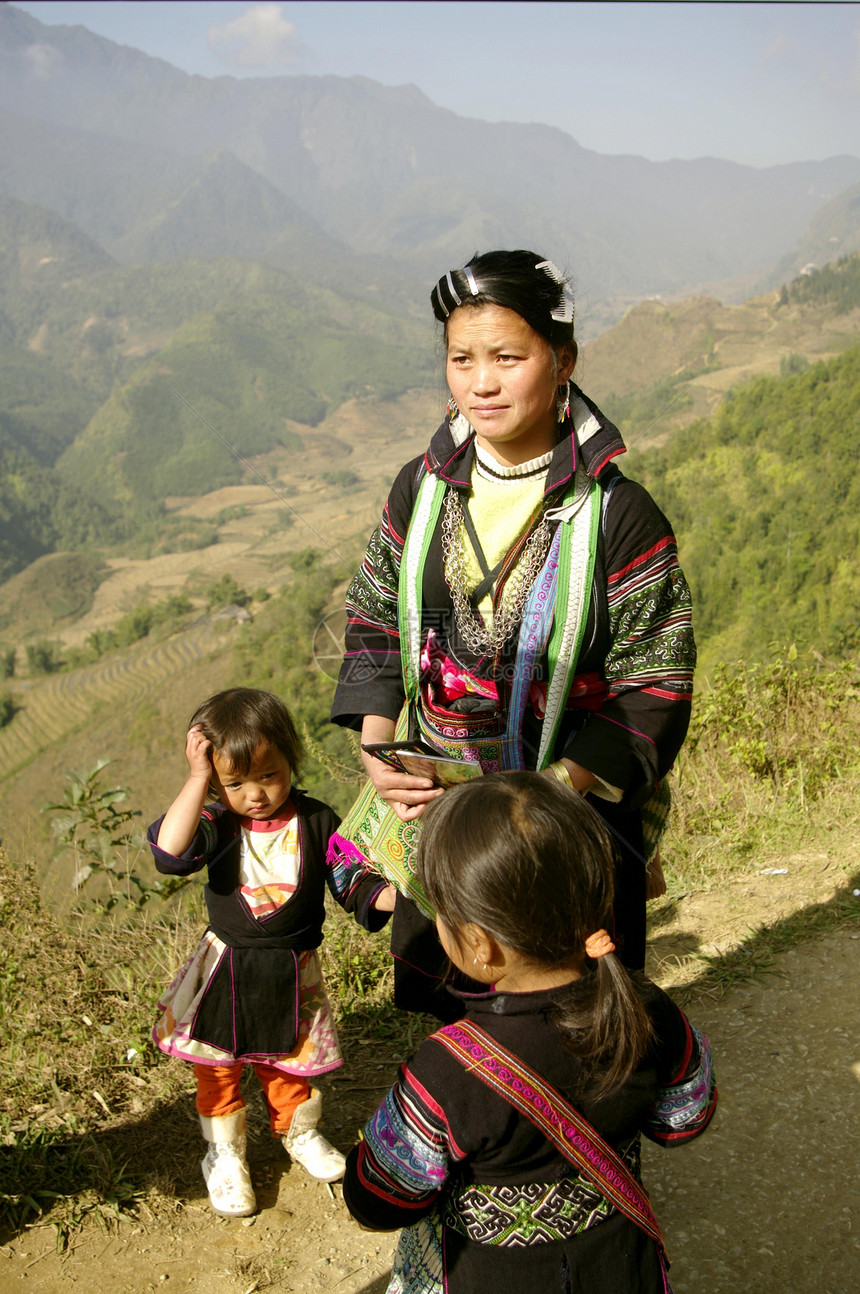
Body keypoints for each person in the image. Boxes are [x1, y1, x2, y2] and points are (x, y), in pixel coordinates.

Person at [330, 249, 695, 1016]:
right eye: (461, 359)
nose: (481, 382)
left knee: (575, 1032)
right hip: (441, 819)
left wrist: (552, 793)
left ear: (562, 360)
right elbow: (373, 621)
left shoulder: (618, 517)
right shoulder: (422, 488)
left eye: (507, 357)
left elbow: (654, 680)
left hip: (563, 827)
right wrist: (376, 747)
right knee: (459, 1034)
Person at [343, 774, 717, 1294]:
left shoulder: (447, 1071)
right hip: (621, 1268)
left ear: (481, 946)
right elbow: (684, 1120)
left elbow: (378, 1198)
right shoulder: (646, 1007)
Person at [148, 687, 395, 1218]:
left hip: (292, 968)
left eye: (269, 775)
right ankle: (224, 1153)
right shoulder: (215, 823)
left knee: (292, 1061)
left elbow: (350, 875)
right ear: (216, 782)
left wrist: (387, 896)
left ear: (291, 759)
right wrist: (197, 780)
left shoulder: (317, 820)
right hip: (226, 969)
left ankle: (298, 1132)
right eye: (234, 783)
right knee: (219, 1067)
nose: (255, 794)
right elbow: (170, 854)